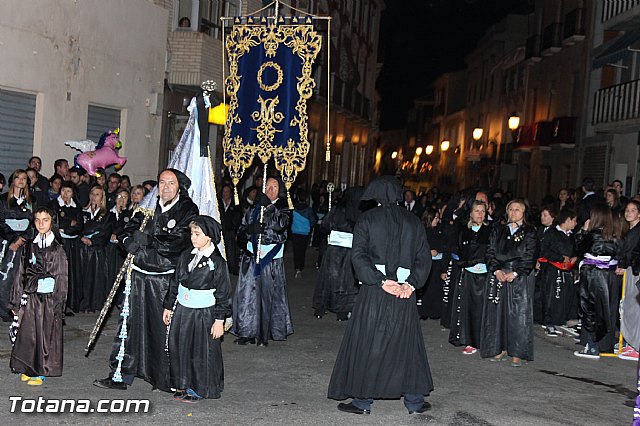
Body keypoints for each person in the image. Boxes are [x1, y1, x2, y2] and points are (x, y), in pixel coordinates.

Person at [328, 176, 433, 416]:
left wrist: (380, 280)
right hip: (403, 293)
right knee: (407, 344)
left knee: (369, 342)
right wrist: (410, 285)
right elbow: (423, 258)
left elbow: (358, 255)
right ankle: (414, 402)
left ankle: (363, 401)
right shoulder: (414, 221)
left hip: (377, 291)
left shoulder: (367, 219)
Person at [93, 169, 198, 391]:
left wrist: (148, 241)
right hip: (138, 275)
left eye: (171, 183)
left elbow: (177, 242)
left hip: (164, 279)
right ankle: (121, 374)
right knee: (129, 326)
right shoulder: (148, 206)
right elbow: (127, 228)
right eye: (162, 182)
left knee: (162, 328)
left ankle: (168, 378)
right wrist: (127, 240)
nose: (166, 187)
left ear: (179, 186)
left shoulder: (188, 209)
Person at [163, 215, 230, 402]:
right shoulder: (186, 255)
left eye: (197, 234)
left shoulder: (217, 262)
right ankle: (182, 382)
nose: (193, 237)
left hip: (203, 313)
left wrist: (219, 320)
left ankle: (200, 387)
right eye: (192, 233)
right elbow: (175, 281)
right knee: (180, 346)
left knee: (200, 350)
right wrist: (169, 306)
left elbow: (223, 293)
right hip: (184, 309)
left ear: (209, 236)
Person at [9, 207, 68, 386]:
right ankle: (28, 367)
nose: (41, 223)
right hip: (31, 298)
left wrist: (59, 305)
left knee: (44, 335)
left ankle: (41, 370)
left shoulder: (57, 249)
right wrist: (16, 301)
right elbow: (20, 273)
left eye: (46, 219)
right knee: (28, 334)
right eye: (37, 220)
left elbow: (62, 278)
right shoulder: (29, 246)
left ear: (52, 222)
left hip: (48, 300)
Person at [231, 177, 293, 346]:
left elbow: (280, 225)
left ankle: (264, 333)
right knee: (247, 296)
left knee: (266, 296)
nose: (270, 189)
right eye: (268, 186)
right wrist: (249, 230)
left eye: (274, 186)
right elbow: (242, 230)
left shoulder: (284, 208)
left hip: (270, 260)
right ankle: (246, 332)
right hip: (251, 258)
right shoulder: (254, 209)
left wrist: (269, 207)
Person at [481, 198, 538, 367]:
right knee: (497, 311)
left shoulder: (530, 232)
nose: (513, 213)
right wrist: (497, 270)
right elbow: (490, 251)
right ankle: (499, 347)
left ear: (524, 213)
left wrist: (515, 272)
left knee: (518, 313)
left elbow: (530, 255)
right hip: (499, 273)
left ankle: (517, 351)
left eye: (517, 210)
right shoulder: (498, 229)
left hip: (519, 275)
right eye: (511, 209)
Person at [574, 204, 619, 359]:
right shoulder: (614, 235)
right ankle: (603, 344)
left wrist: (583, 231)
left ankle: (592, 346)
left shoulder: (593, 234)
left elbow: (579, 249)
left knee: (590, 308)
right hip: (609, 275)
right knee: (606, 310)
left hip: (593, 274)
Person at [312, 186, 364, 321]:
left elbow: (325, 225)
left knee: (328, 279)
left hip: (334, 250)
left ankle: (320, 309)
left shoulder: (337, 209)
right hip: (349, 251)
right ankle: (342, 311)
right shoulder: (361, 213)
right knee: (346, 282)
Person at [449, 200, 490, 355]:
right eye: (477, 211)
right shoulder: (463, 231)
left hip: (485, 276)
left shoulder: (490, 230)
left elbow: (493, 252)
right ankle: (470, 340)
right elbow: (457, 251)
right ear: (471, 213)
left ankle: (484, 340)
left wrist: (485, 264)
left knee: (483, 309)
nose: (480, 214)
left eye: (483, 211)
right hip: (468, 274)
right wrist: (466, 263)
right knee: (468, 308)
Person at [0, 170, 36, 321]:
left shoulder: (31, 200)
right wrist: (13, 239)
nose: (21, 180)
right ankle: (4, 310)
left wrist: (22, 238)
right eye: (18, 178)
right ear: (12, 180)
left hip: (24, 244)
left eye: (24, 178)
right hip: (7, 243)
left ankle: (18, 309)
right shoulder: (3, 199)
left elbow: (35, 223)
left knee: (21, 277)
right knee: (5, 276)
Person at [538, 209, 577, 337]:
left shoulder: (571, 235)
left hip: (566, 270)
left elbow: (575, 250)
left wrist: (574, 258)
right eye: (574, 220)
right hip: (551, 269)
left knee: (564, 295)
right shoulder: (552, 233)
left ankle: (559, 320)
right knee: (550, 295)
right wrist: (560, 258)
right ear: (568, 220)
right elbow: (544, 251)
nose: (576, 223)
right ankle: (548, 321)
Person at [78, 185, 114, 312]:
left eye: (97, 194)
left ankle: (94, 304)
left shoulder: (107, 215)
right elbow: (78, 228)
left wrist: (92, 240)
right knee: (82, 277)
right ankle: (82, 303)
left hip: (96, 250)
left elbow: (105, 232)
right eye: (92, 193)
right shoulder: (82, 212)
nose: (94, 196)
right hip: (82, 249)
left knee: (95, 277)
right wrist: (82, 237)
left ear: (102, 197)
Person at [49, 181, 82, 314]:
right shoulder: (53, 205)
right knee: (58, 273)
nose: (65, 194)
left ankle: (69, 304)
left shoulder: (76, 207)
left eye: (68, 191)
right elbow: (55, 223)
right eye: (63, 191)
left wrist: (66, 228)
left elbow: (79, 226)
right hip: (58, 243)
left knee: (71, 274)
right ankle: (56, 304)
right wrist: (69, 223)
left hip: (72, 245)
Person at [291, 188, 317, 278]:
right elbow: (313, 221)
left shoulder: (293, 208)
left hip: (295, 232)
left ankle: (297, 268)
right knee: (302, 251)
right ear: (306, 198)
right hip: (305, 233)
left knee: (296, 251)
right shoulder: (309, 210)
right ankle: (300, 269)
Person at [219, 184, 241, 275]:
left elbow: (238, 218)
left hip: (231, 231)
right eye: (224, 192)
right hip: (221, 231)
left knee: (232, 251)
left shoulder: (235, 204)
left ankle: (233, 268)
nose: (225, 194)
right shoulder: (219, 203)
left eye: (227, 191)